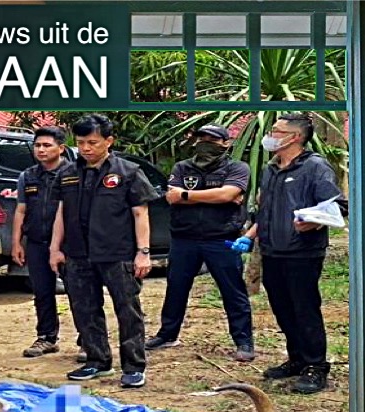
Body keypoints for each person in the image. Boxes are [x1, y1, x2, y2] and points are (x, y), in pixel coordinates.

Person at [231, 113, 346, 394]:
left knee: (304, 309)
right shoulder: (271, 168)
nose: (270, 134)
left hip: (302, 253)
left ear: (295, 137)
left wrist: (315, 221)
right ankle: (296, 359)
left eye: (277, 130)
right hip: (272, 250)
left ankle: (316, 366)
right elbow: (264, 209)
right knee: (282, 308)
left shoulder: (315, 168)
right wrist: (248, 237)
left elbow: (338, 206)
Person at [49, 114, 159, 389]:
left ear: (109, 141)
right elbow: (61, 212)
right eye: (81, 142)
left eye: (93, 142)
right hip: (78, 254)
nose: (86, 148)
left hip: (117, 254)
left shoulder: (128, 171)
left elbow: (140, 213)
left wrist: (143, 252)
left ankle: (134, 366)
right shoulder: (67, 173)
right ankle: (97, 360)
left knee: (128, 310)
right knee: (84, 309)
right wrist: (55, 248)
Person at [146, 124, 255, 362]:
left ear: (226, 143)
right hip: (185, 238)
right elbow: (171, 197)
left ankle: (244, 341)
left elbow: (227, 194)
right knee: (176, 289)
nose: (205, 142)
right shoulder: (183, 167)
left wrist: (187, 196)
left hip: (222, 239)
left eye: (212, 139)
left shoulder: (237, 168)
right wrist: (215, 196)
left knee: (233, 291)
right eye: (202, 138)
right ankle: (167, 334)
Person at [11, 126, 79, 358]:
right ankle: (47, 337)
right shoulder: (27, 176)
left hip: (70, 245)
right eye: (38, 145)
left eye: (46, 145)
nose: (41, 150)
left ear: (61, 148)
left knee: (78, 292)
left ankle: (87, 340)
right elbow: (20, 211)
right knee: (42, 292)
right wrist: (16, 243)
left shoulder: (75, 173)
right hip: (37, 243)